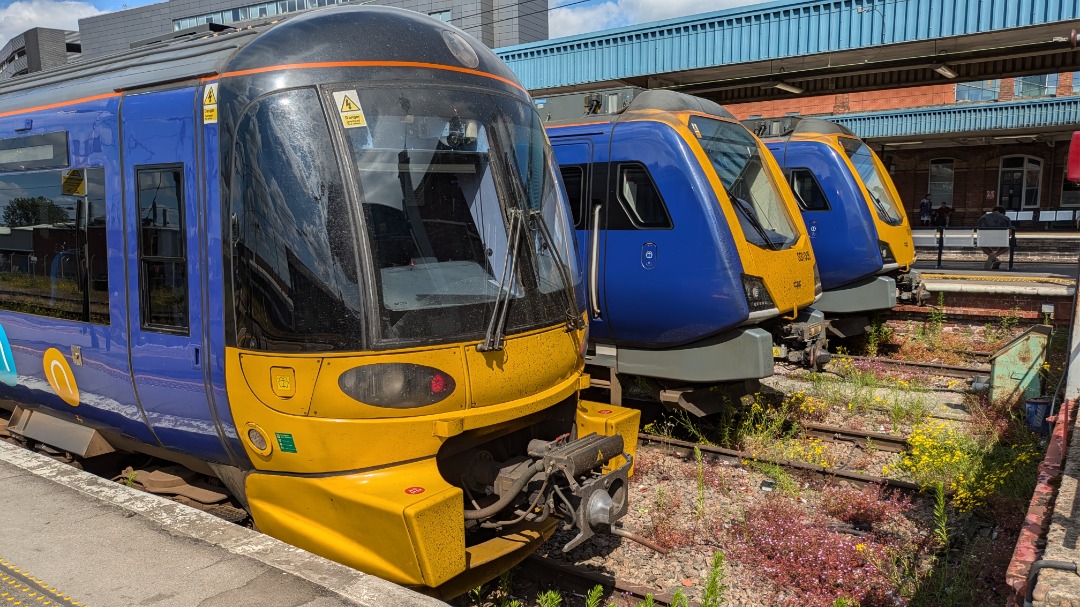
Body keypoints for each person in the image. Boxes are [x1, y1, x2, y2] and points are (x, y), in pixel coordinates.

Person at [976, 205, 1011, 270]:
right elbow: (1009, 231)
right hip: (1001, 240)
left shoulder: (983, 217)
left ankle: (994, 259)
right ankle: (995, 256)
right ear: (1002, 212)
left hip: (986, 239)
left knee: (982, 244)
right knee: (1006, 246)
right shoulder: (1006, 218)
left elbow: (978, 230)